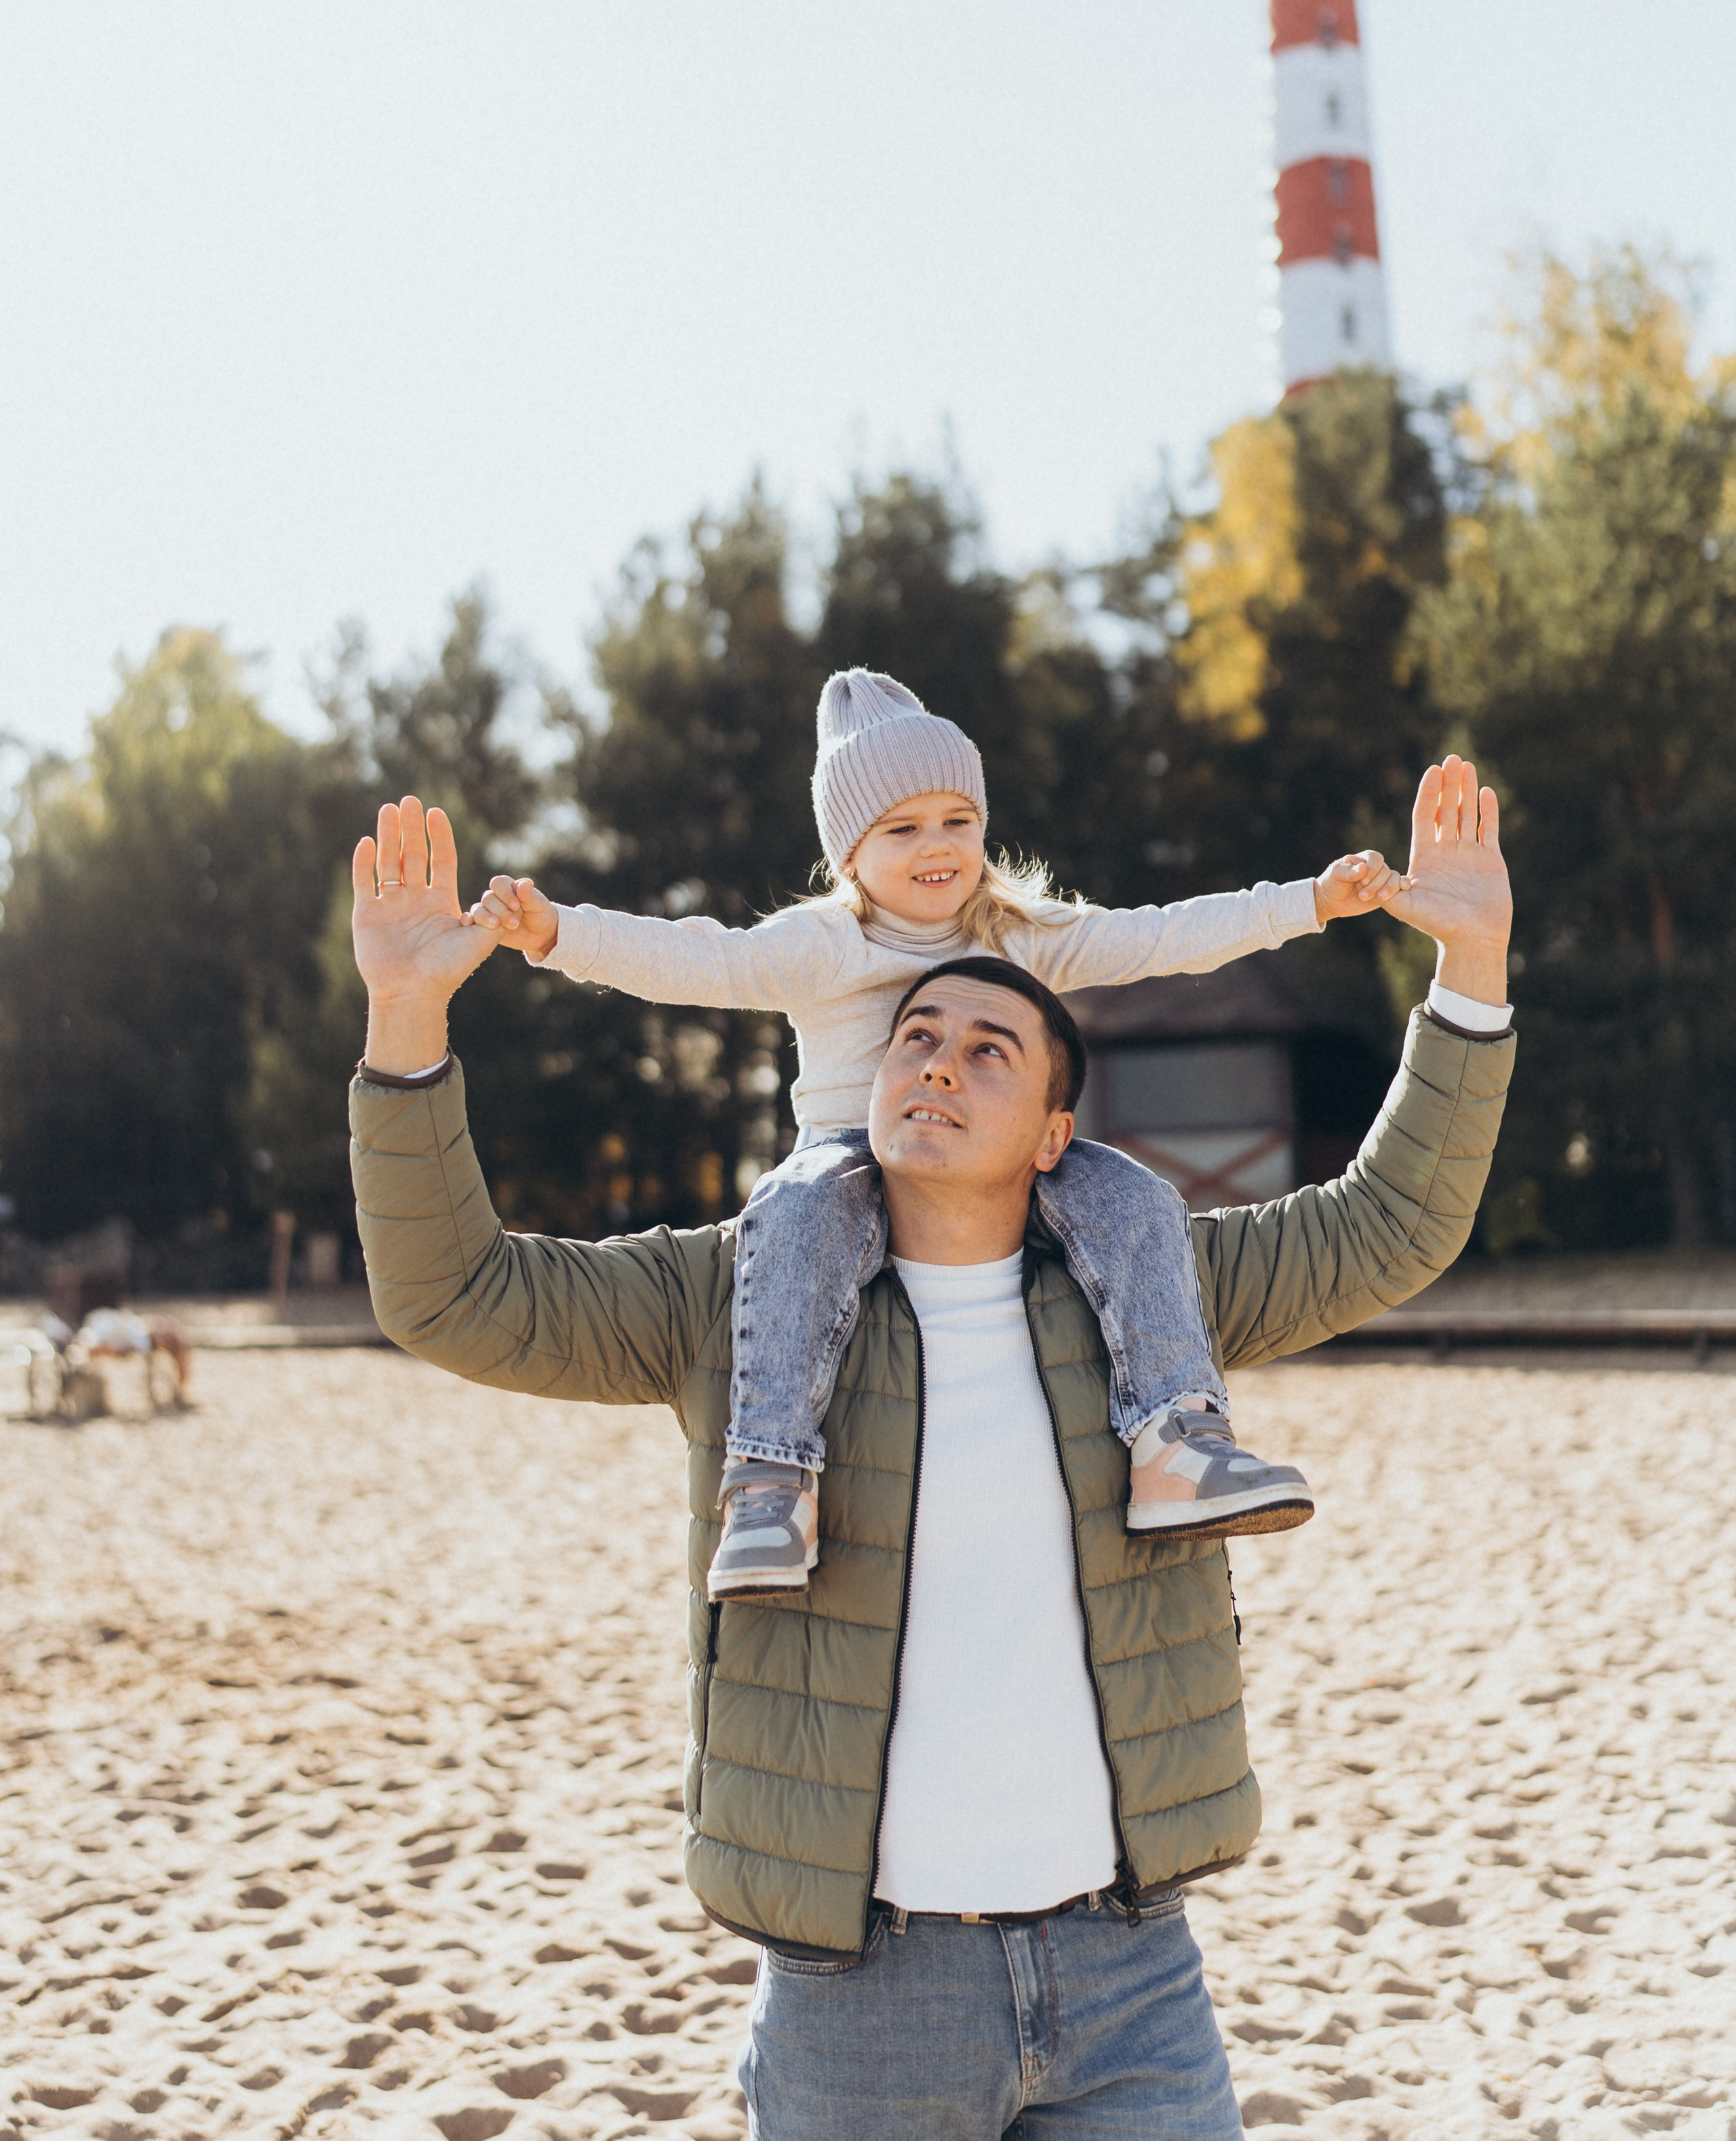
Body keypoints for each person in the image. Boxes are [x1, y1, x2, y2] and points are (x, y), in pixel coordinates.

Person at [348, 755, 1514, 2139]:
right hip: (860, 2002)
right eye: (914, 1039)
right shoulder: (732, 1303)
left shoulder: (1150, 1299)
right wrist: (409, 1018)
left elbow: (1389, 1227)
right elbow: (454, 1297)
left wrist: (1473, 972)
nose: (937, 1063)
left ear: (1052, 1135)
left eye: (987, 1050)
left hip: (1131, 1982)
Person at [462, 668, 1409, 1594]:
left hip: (999, 1159)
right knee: (788, 1214)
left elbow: (1158, 936)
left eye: (959, 820)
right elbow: (694, 958)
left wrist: (1308, 903)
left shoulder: (1016, 932)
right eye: (904, 827)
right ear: (849, 854)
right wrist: (559, 934)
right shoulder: (823, 944)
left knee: (1131, 1190)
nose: (939, 844)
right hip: (854, 1153)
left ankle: (1175, 1440)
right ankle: (770, 1482)